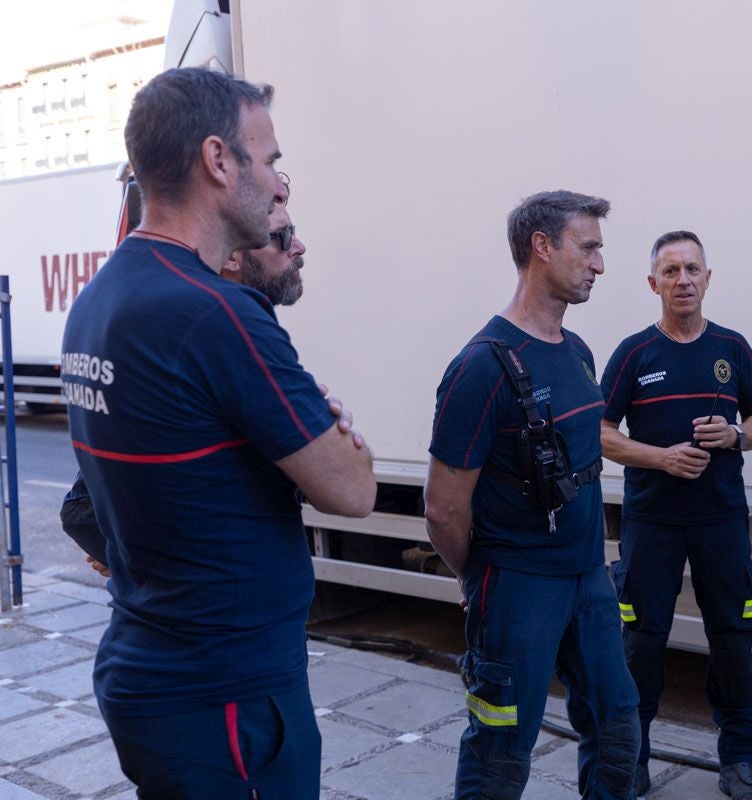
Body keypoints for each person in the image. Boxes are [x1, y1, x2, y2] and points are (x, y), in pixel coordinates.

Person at [61, 67, 376, 799]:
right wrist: (322, 431)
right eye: (268, 160)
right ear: (216, 160)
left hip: (153, 672)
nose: (280, 184)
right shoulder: (217, 314)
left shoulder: (101, 299)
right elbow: (353, 491)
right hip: (227, 696)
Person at [424, 190, 640, 799]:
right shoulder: (481, 367)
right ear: (541, 247)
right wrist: (483, 583)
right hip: (518, 584)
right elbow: (443, 507)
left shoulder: (576, 352)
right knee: (500, 747)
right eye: (588, 246)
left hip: (588, 580)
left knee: (619, 726)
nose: (599, 263)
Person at [598, 230, 752, 799]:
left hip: (721, 520)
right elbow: (599, 433)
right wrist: (661, 458)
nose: (683, 281)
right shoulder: (633, 353)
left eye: (692, 269)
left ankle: (739, 762)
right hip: (653, 523)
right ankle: (634, 759)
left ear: (708, 277)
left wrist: (736, 435)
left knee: (732, 637)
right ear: (653, 283)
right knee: (642, 641)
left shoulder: (732, 348)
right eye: (670, 271)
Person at [61, 193, 316, 577]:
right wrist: (132, 553)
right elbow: (81, 509)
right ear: (232, 257)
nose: (299, 247)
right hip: (217, 621)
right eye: (282, 235)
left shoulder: (240, 331)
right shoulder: (207, 335)